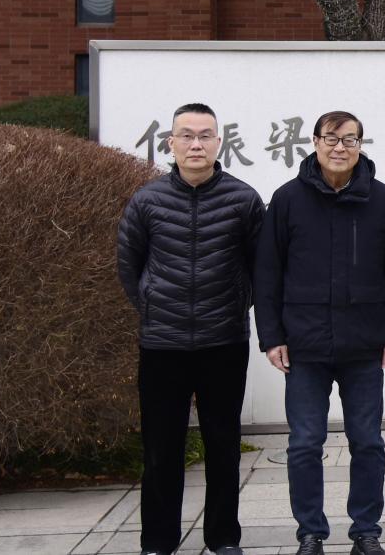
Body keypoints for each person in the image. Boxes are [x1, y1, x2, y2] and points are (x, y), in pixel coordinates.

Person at [254, 110, 385, 555]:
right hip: (304, 346)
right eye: (331, 138)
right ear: (315, 142)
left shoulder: (381, 198)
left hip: (365, 345)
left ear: (360, 145)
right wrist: (272, 336)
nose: (340, 147)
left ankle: (366, 532)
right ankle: (310, 533)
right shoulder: (288, 199)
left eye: (350, 139)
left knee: (368, 441)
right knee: (305, 443)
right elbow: (268, 273)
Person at [117, 103, 265, 555]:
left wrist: (236, 305)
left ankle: (223, 538)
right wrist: (153, 305)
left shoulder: (243, 199)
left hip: (224, 341)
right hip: (163, 344)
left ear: (219, 142)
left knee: (223, 445)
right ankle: (158, 541)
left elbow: (260, 267)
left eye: (204, 135)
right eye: (186, 135)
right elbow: (129, 265)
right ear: (171, 143)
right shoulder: (147, 200)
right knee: (161, 448)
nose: (195, 144)